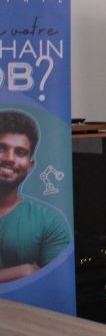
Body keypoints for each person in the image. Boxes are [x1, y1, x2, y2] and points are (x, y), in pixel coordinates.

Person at [0, 110, 71, 283]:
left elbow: (56, 283)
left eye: (20, 152)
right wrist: (23, 272)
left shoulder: (49, 221)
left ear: (30, 165)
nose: (10, 158)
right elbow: (32, 274)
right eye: (1, 148)